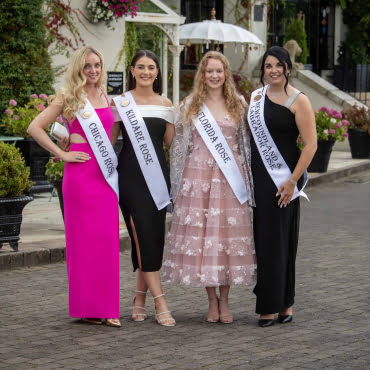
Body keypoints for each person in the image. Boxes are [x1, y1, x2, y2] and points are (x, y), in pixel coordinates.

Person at [27, 46, 121, 328]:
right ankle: (87, 308)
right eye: (87, 66)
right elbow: (35, 127)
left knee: (107, 240)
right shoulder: (69, 97)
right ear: (79, 69)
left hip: (103, 174)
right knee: (82, 243)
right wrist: (63, 152)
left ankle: (108, 307)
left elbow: (111, 133)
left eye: (97, 65)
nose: (93, 71)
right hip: (80, 175)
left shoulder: (106, 96)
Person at [162, 51, 256, 323]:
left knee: (225, 240)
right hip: (198, 178)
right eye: (209, 71)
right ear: (202, 75)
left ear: (226, 74)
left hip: (229, 179)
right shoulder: (190, 105)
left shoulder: (238, 103)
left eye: (219, 71)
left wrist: (249, 182)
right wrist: (177, 184)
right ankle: (211, 301)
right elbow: (178, 147)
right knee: (205, 240)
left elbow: (247, 146)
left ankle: (225, 301)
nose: (214, 76)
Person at [247, 46, 317, 327]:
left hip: (284, 179)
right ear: (263, 70)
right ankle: (276, 303)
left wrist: (291, 182)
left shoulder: (299, 101)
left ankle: (277, 305)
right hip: (260, 180)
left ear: (288, 68)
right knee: (264, 241)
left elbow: (311, 145)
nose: (273, 70)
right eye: (268, 66)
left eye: (278, 65)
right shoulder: (255, 98)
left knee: (282, 240)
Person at [110, 50, 176, 326]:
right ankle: (161, 302)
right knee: (141, 236)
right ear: (132, 71)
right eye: (141, 67)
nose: (146, 72)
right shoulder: (121, 103)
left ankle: (139, 299)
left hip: (158, 178)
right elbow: (109, 142)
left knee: (150, 239)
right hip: (131, 178)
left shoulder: (166, 104)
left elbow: (171, 145)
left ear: (157, 72)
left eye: (151, 67)